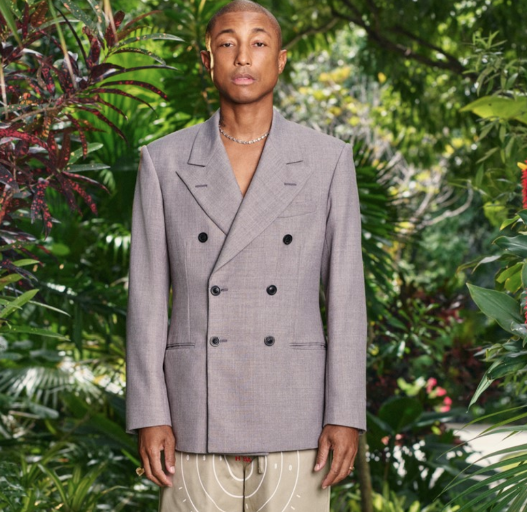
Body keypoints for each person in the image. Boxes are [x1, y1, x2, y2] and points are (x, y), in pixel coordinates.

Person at [124, 1, 367, 510]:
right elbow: (146, 299)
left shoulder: (327, 160)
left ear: (280, 60)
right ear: (207, 60)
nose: (242, 56)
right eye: (227, 43)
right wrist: (149, 412)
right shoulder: (164, 161)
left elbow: (346, 298)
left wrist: (345, 413)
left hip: (296, 408)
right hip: (194, 410)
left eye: (258, 42)